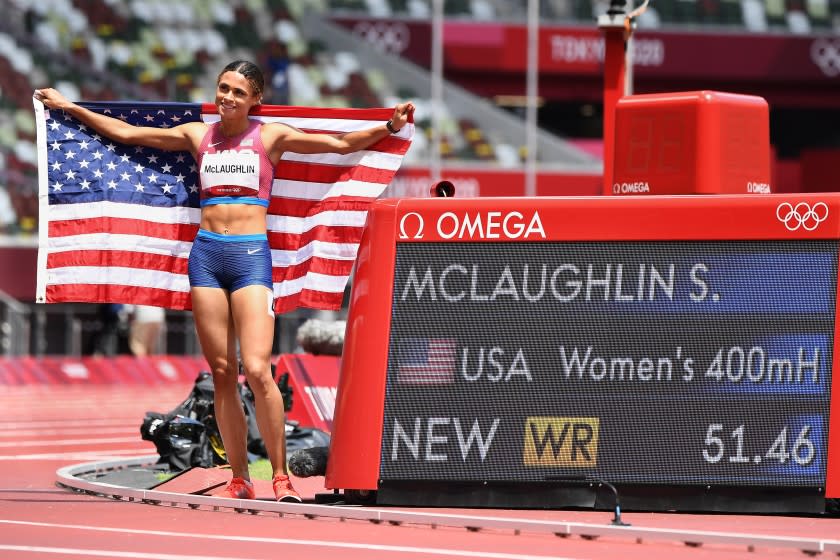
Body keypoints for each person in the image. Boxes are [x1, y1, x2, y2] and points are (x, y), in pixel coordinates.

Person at [35, 60, 414, 502]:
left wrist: (388, 125)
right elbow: (127, 134)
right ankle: (239, 476)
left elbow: (338, 143)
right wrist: (68, 107)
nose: (227, 97)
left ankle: (280, 476)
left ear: (255, 100)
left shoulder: (270, 137)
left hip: (251, 256)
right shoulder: (198, 135)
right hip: (207, 256)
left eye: (238, 92)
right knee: (221, 372)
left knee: (257, 368)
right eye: (223, 88)